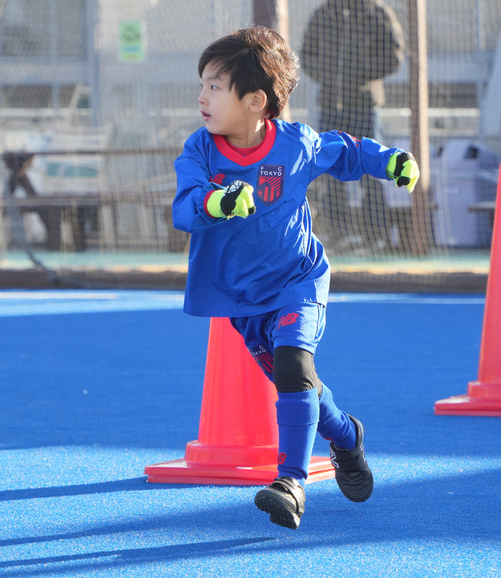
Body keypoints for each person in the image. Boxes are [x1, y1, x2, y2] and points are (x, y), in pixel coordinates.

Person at [172, 26, 418, 529]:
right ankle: (346, 435)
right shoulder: (200, 150)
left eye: (215, 87)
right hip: (243, 298)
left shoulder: (295, 145)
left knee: (293, 363)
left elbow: (345, 150)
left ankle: (291, 483)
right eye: (202, 85)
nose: (202, 97)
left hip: (299, 280)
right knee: (296, 383)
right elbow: (184, 206)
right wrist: (216, 202)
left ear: (255, 101)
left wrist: (389, 159)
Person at [301, 0, 406, 252]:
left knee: (372, 168)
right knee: (330, 170)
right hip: (330, 105)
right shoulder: (324, 13)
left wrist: (356, 73)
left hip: (364, 105)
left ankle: (376, 237)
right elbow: (307, 55)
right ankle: (337, 234)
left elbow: (394, 56)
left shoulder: (377, 13)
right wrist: (328, 74)